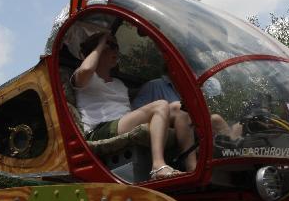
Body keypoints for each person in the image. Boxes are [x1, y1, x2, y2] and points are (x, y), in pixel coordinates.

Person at [72, 30, 196, 179]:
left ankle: (192, 168)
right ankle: (158, 166)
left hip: (121, 123)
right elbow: (86, 68)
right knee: (161, 105)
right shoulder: (84, 78)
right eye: (110, 45)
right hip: (99, 130)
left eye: (116, 46)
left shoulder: (118, 84)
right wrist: (101, 42)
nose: (116, 50)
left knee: (177, 107)